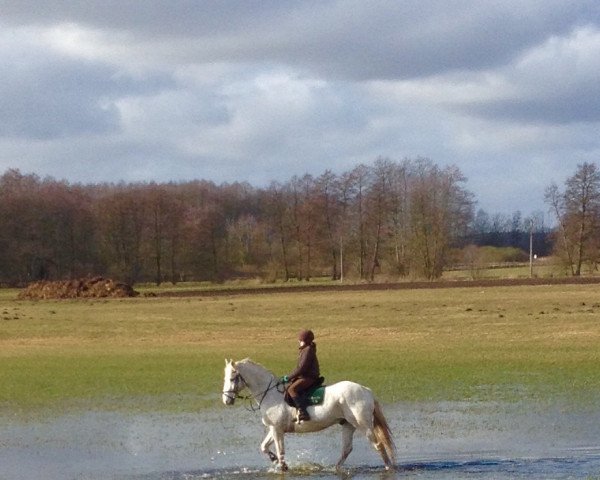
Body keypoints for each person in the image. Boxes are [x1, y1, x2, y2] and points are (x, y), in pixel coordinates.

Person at [281, 329, 320, 422]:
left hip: (309, 377)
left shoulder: (307, 350)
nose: (299, 341)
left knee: (292, 389)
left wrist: (288, 377)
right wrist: (291, 377)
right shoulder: (306, 349)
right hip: (305, 376)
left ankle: (303, 413)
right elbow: (299, 368)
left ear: (304, 340)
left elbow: (301, 368)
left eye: (300, 339)